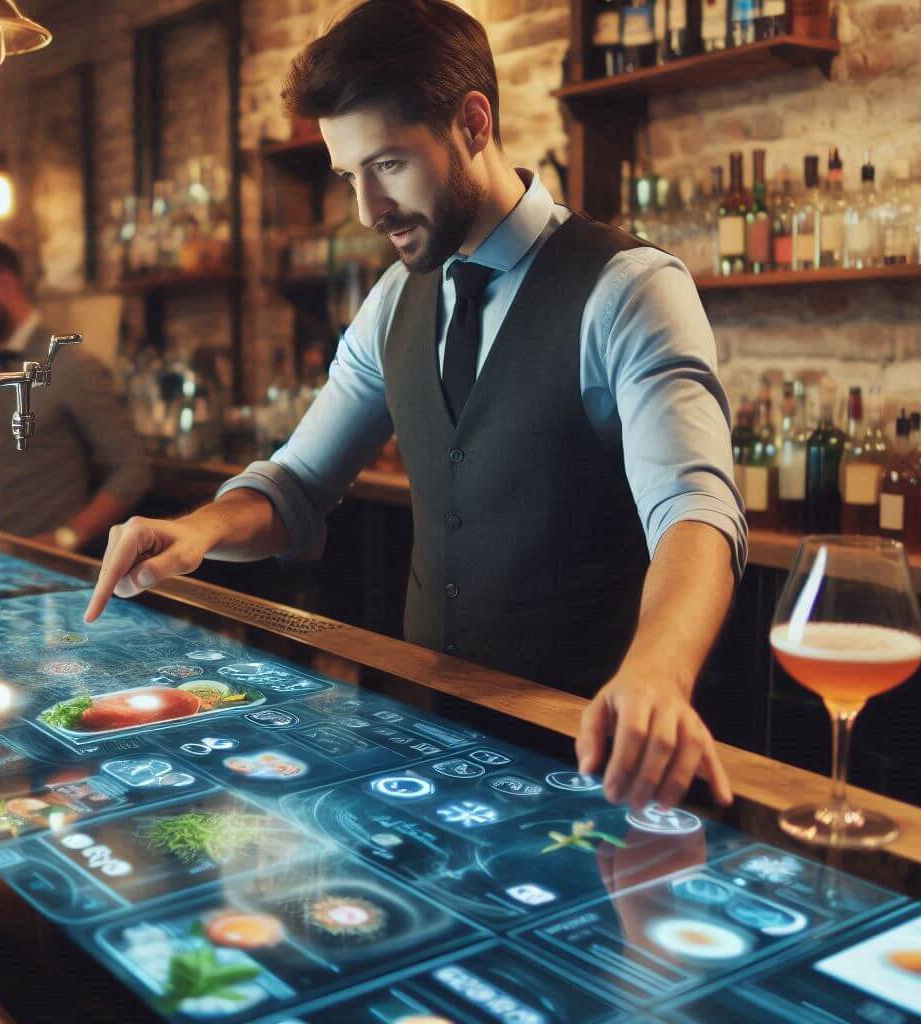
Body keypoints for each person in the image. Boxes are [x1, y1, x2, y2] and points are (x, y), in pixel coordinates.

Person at [85, 0, 745, 811]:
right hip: (432, 744)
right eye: (346, 176)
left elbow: (695, 511)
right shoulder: (394, 300)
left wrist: (656, 671)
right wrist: (197, 530)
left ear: (473, 123)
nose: (367, 210)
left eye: (388, 164)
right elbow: (296, 483)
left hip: (597, 753)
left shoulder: (630, 289)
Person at [0, 235, 152, 550]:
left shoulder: (70, 365)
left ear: (4, 286)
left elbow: (132, 468)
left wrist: (66, 537)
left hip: (45, 570)